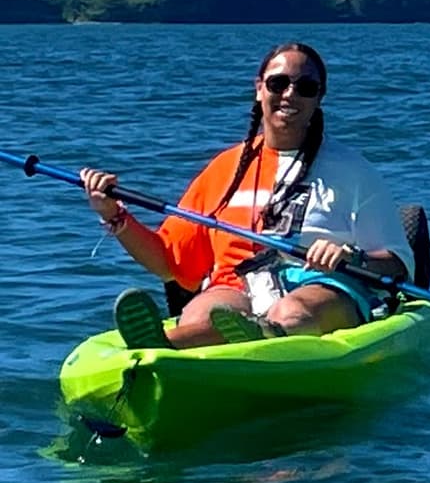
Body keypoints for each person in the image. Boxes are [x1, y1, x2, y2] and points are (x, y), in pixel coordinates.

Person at [81, 40, 413, 350]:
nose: (290, 94)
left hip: (323, 285)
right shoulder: (224, 169)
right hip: (238, 287)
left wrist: (352, 258)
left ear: (319, 97)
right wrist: (113, 214)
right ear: (259, 89)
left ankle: (238, 339)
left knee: (290, 312)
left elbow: (397, 265)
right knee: (202, 313)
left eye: (306, 87)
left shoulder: (355, 171)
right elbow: (169, 262)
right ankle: (166, 347)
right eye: (278, 83)